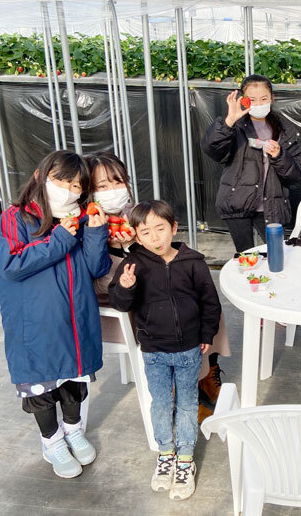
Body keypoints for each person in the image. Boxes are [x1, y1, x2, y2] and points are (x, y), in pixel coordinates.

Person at [0, 150, 110, 479]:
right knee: (41, 387)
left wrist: (96, 233)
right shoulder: (15, 218)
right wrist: (59, 238)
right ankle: (52, 441)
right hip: (36, 324)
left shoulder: (80, 219)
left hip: (75, 319)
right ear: (39, 176)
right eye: (60, 180)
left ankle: (73, 429)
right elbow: (10, 265)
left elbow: (95, 268)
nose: (67, 190)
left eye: (76, 185)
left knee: (74, 381)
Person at [87, 152, 228, 423]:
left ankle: (206, 373)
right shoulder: (89, 221)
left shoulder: (133, 213)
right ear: (90, 191)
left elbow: (159, 247)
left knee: (202, 299)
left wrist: (137, 241)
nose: (112, 190)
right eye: (102, 186)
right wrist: (112, 243)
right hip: (118, 300)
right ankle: (182, 388)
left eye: (117, 182)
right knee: (174, 298)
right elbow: (95, 273)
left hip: (149, 284)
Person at [109, 200, 222, 501]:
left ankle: (185, 459)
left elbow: (210, 302)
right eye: (145, 232)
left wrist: (206, 334)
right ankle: (166, 453)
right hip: (154, 350)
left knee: (186, 403)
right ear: (136, 235)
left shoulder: (193, 262)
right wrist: (125, 286)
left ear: (173, 227)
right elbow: (120, 303)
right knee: (160, 403)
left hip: (188, 349)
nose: (155, 238)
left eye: (160, 228)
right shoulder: (133, 265)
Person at [201, 73, 301, 252]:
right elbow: (212, 149)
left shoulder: (284, 129)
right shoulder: (235, 126)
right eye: (252, 99)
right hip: (238, 202)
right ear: (244, 100)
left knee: (276, 253)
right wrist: (229, 121)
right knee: (246, 257)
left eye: (264, 98)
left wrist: (279, 156)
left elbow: (296, 174)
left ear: (272, 98)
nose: (259, 104)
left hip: (271, 206)